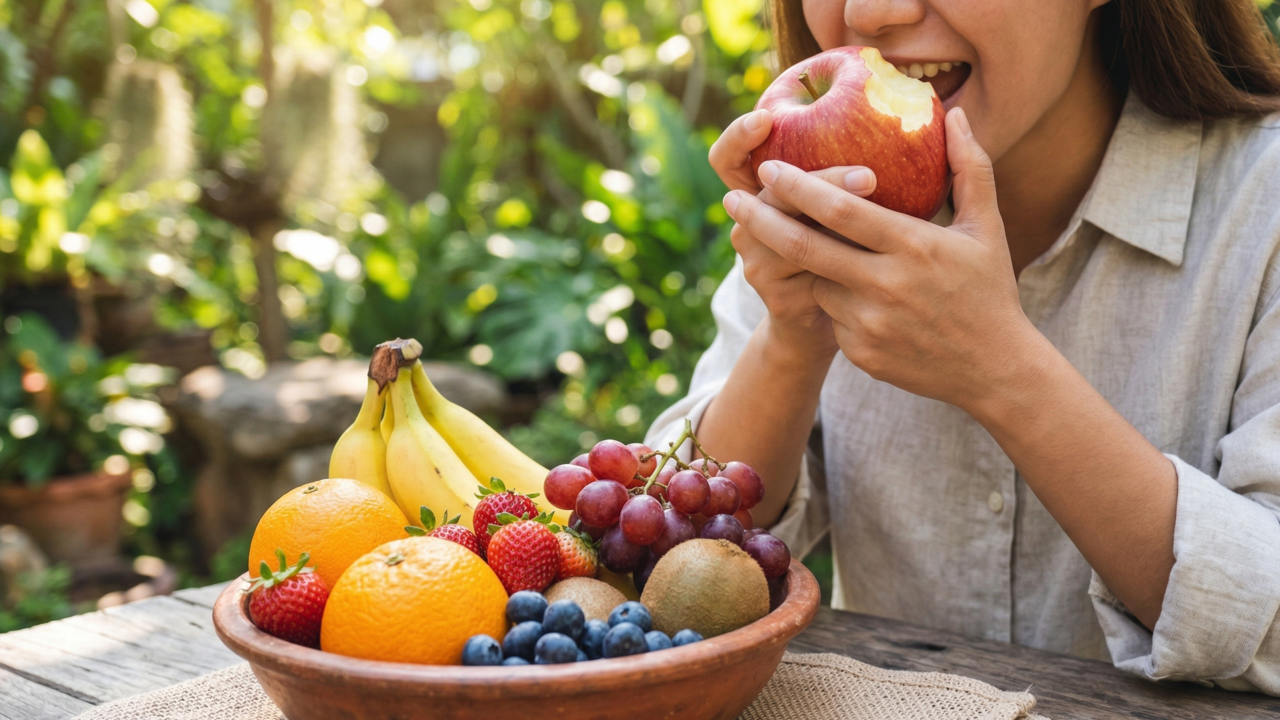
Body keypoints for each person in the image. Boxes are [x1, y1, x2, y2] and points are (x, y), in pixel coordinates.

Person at [645, 0, 1280, 694]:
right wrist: (792, 339)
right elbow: (665, 563)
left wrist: (1003, 372)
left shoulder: (1263, 204)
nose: (871, 11)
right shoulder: (826, 196)